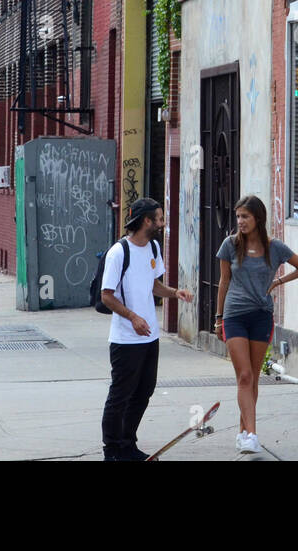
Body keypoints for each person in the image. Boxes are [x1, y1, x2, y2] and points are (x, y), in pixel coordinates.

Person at [100, 197, 193, 461]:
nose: (163, 224)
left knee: (143, 392)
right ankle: (112, 451)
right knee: (120, 396)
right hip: (125, 339)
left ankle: (128, 445)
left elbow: (154, 285)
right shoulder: (119, 252)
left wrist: (175, 292)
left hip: (150, 337)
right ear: (146, 221)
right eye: (160, 219)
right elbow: (107, 295)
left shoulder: (153, 247)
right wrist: (132, 317)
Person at [214, 195, 298, 454]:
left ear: (258, 219)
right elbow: (224, 282)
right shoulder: (230, 245)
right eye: (238, 216)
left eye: (245, 216)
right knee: (243, 375)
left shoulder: (274, 247)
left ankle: (243, 431)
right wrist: (218, 317)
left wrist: (278, 282)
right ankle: (252, 436)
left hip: (261, 316)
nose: (240, 221)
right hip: (234, 316)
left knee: (253, 378)